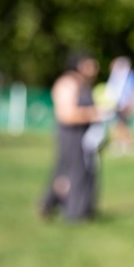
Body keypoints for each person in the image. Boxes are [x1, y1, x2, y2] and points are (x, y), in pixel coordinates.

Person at [40, 52, 103, 222]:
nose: (95, 68)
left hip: (85, 136)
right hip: (71, 135)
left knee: (82, 171)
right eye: (91, 64)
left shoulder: (84, 84)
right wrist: (94, 114)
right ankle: (73, 212)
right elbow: (66, 114)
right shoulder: (67, 84)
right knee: (72, 172)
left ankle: (77, 208)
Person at [103, 56, 134, 156]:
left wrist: (133, 104)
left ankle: (128, 143)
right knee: (118, 124)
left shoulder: (130, 76)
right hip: (115, 104)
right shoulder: (116, 76)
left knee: (122, 124)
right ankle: (120, 143)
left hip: (125, 104)